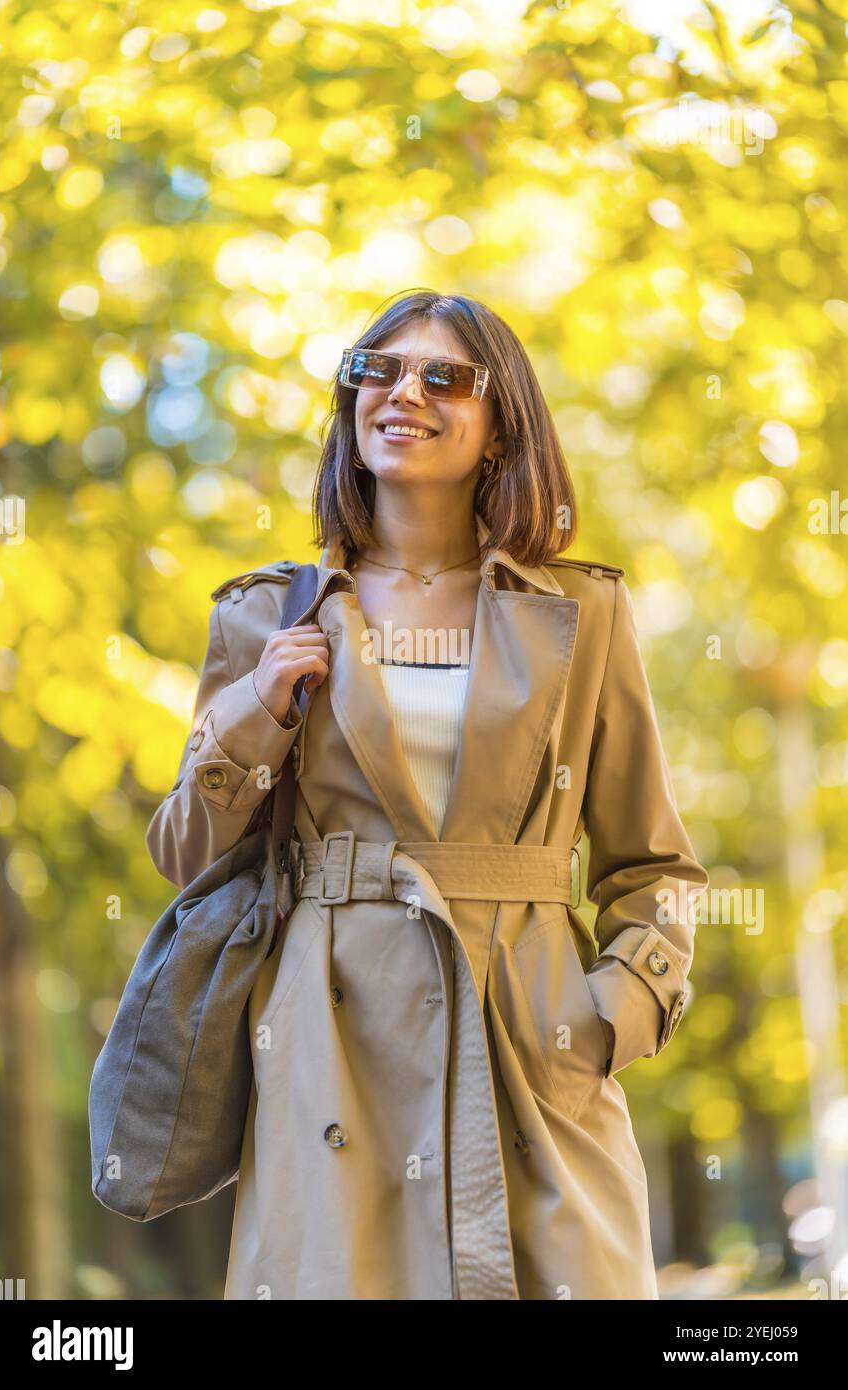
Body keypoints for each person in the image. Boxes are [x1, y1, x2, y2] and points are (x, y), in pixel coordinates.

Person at [146, 289, 709, 1301]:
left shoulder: (582, 612)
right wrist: (256, 709)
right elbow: (185, 853)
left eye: (444, 376)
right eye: (378, 369)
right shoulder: (262, 614)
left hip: (532, 1051)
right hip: (327, 1061)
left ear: (501, 429)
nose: (403, 391)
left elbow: (653, 864)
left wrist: (606, 1018)